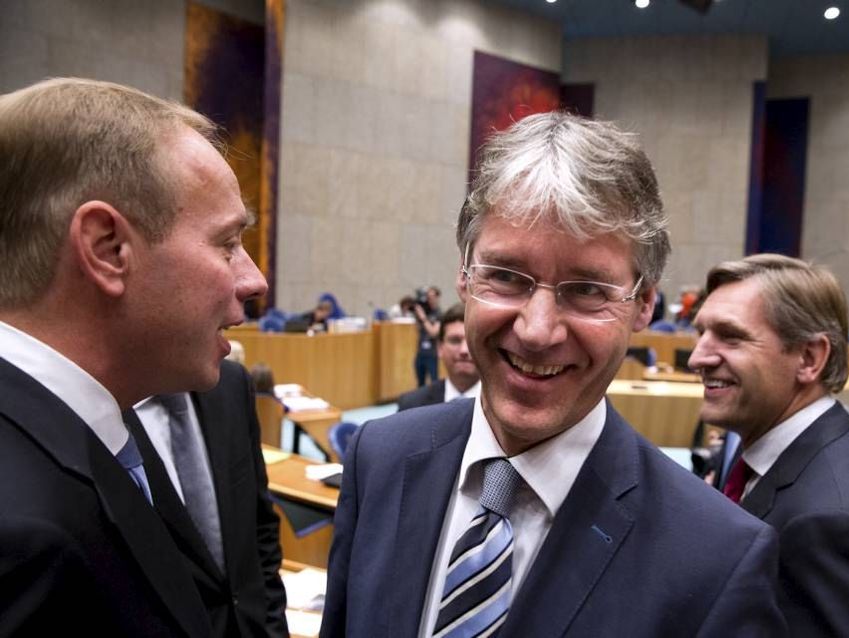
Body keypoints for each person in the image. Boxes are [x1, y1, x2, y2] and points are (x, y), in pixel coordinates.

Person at [320, 112, 785, 637]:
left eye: (587, 289)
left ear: (644, 304)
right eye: (505, 277)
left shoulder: (717, 558)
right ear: (464, 276)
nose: (538, 331)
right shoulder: (379, 458)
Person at [0, 78, 268, 635]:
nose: (253, 280)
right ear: (107, 249)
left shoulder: (73, 440)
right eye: (226, 243)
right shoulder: (23, 537)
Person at [690, 253, 849, 637]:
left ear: (809, 358)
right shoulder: (783, 462)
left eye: (731, 336)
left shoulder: (832, 527)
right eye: (700, 333)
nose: (698, 358)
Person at [124, 360, 288, 637]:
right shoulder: (99, 408)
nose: (237, 315)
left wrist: (272, 627)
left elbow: (260, 527)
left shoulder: (231, 383)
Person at [397, 303, 480, 411]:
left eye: (472, 341)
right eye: (455, 341)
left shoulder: (505, 408)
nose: (464, 350)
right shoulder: (411, 405)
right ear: (439, 348)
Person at [413, 285, 442, 386]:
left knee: (434, 383)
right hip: (420, 352)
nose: (429, 299)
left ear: (437, 297)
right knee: (420, 384)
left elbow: (434, 332)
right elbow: (417, 329)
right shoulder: (425, 311)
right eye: (428, 297)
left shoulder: (439, 313)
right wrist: (418, 315)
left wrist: (423, 318)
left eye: (432, 297)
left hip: (432, 353)